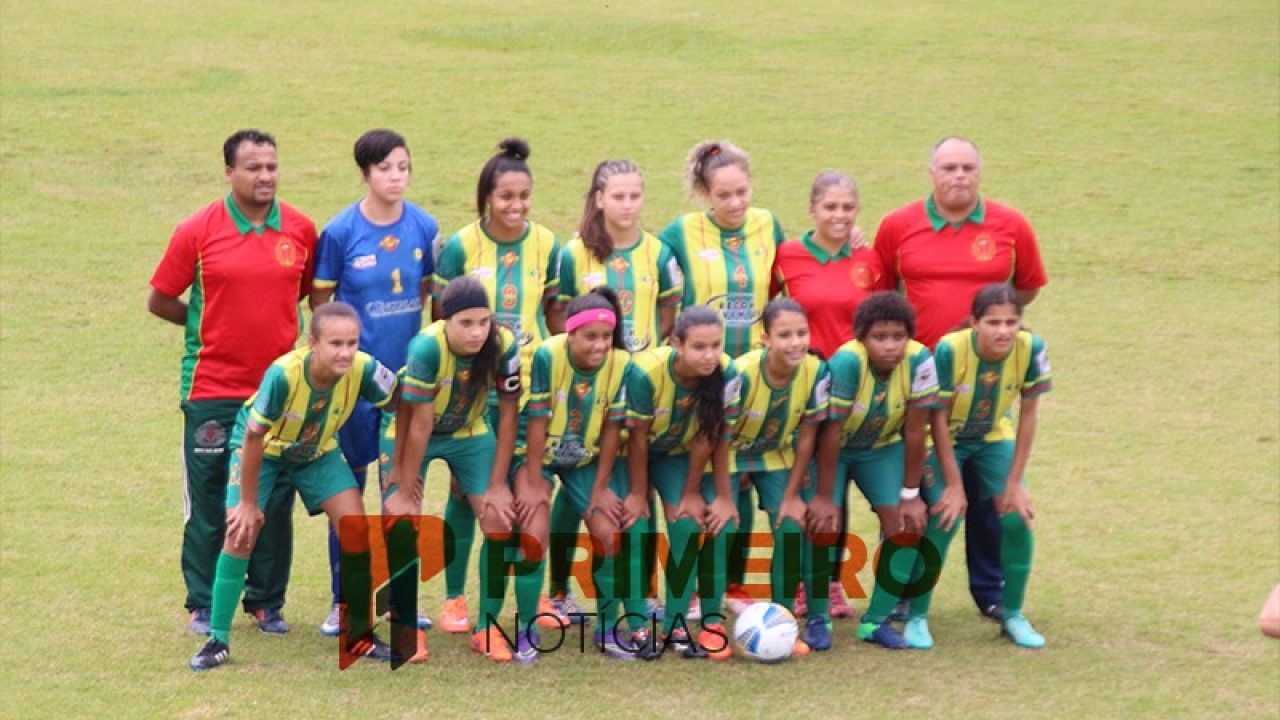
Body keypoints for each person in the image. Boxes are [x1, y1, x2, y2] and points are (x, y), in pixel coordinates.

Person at [148, 129, 316, 636]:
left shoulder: (302, 230)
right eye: (252, 167)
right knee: (209, 499)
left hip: (278, 391)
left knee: (273, 498)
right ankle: (202, 602)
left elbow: (307, 299)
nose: (264, 176)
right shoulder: (197, 230)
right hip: (211, 389)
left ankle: (266, 602)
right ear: (229, 172)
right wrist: (206, 324)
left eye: (271, 166)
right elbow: (160, 299)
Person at [873, 136, 1049, 620]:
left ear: (980, 173)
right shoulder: (898, 225)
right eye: (949, 167)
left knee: (991, 494)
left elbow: (1027, 288)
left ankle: (990, 592)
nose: (959, 176)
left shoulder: (1011, 226)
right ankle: (905, 594)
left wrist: (991, 330)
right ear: (931, 172)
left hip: (984, 389)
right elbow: (883, 293)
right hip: (917, 386)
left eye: (968, 167)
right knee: (919, 497)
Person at [189, 302, 403, 670]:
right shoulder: (284, 375)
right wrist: (248, 504)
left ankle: (358, 635)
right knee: (241, 532)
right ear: (313, 343)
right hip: (264, 450)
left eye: (352, 343)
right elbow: (255, 436)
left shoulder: (365, 368)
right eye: (335, 343)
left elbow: (402, 401)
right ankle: (217, 640)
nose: (345, 352)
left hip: (317, 452)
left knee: (355, 530)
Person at [431, 138, 564, 634]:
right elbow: (440, 320)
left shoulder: (549, 244)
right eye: (506, 196)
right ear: (487, 196)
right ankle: (453, 598)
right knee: (468, 493)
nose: (516, 205)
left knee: (532, 488)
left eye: (524, 196)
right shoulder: (461, 245)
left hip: (529, 389)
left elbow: (554, 315)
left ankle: (534, 594)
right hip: (473, 392)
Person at [310, 128, 439, 636]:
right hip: (352, 388)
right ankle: (346, 600)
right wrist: (338, 365)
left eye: (403, 167)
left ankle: (401, 598)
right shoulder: (341, 232)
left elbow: (430, 297)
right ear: (365, 173)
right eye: (386, 168)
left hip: (407, 388)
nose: (396, 177)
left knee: (405, 490)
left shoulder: (425, 227)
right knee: (348, 489)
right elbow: (320, 305)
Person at [548, 159, 684, 623]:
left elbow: (669, 313)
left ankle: (641, 589)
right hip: (586, 390)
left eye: (635, 196)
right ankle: (558, 590)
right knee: (574, 490)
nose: (628, 205)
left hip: (641, 386)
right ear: (599, 198)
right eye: (618, 196)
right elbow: (562, 318)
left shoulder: (660, 253)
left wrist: (642, 356)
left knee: (634, 488)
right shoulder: (573, 255)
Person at [660, 140, 784, 613]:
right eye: (723, 195)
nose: (735, 203)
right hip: (699, 377)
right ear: (704, 193)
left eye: (742, 192)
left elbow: (795, 271)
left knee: (743, 476)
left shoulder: (768, 225)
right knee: (709, 477)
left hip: (751, 376)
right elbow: (657, 281)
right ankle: (688, 586)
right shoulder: (682, 232)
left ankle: (732, 583)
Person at [381, 277, 525, 663]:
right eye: (466, 323)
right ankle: (406, 627)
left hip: (470, 429)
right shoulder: (427, 347)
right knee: (403, 520)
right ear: (445, 319)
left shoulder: (505, 344)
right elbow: (419, 426)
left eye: (484, 321)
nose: (478, 332)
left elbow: (509, 415)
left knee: (498, 518)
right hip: (410, 432)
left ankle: (488, 628)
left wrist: (497, 484)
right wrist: (405, 490)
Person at [902, 284, 1053, 649]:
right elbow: (935, 417)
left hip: (991, 434)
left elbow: (1029, 414)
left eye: (1011, 322)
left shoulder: (1031, 348)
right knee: (944, 516)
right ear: (974, 323)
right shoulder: (950, 350)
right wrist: (954, 485)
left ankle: (1013, 614)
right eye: (993, 322)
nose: (1003, 331)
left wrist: (1014, 484)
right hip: (945, 437)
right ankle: (917, 615)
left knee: (1016, 516)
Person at [772, 170, 889, 619]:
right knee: (814, 486)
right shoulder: (787, 256)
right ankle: (807, 582)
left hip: (857, 389)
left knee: (836, 486)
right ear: (812, 209)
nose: (839, 216)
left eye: (847, 208)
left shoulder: (870, 260)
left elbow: (883, 319)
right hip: (804, 387)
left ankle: (832, 582)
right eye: (830, 207)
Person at [522, 288, 659, 660]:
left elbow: (613, 431)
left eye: (605, 336)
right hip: (538, 454)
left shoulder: (621, 365)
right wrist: (534, 479)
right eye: (590, 336)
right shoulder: (548, 356)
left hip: (583, 460)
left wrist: (600, 490)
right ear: (570, 333)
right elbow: (536, 419)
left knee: (610, 534)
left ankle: (607, 629)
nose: (599, 345)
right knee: (531, 535)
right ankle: (524, 631)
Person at [808, 292, 938, 651]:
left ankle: (875, 621)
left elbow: (915, 430)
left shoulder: (921, 359)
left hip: (881, 448)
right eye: (880, 337)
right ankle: (818, 618)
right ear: (862, 338)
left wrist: (910, 496)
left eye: (898, 337)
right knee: (823, 526)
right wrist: (824, 496)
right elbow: (831, 432)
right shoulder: (847, 362)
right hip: (836, 449)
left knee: (904, 526)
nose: (890, 346)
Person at [626, 306, 741, 660]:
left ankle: (687, 622)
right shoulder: (645, 372)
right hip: (639, 454)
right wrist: (637, 493)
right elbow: (637, 439)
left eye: (715, 346)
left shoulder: (728, 372)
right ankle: (637, 624)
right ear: (676, 343)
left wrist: (719, 495)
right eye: (699, 347)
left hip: (686, 455)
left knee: (702, 525)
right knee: (636, 525)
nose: (709, 356)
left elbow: (716, 434)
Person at [725, 298, 829, 658]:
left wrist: (791, 495)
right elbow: (718, 434)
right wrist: (726, 487)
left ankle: (782, 618)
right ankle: (707, 606)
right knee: (722, 525)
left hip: (775, 454)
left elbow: (807, 435)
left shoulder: (816, 371)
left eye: (801, 333)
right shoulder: (739, 373)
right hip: (730, 452)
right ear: (765, 338)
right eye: (785, 335)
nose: (795, 342)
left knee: (789, 527)